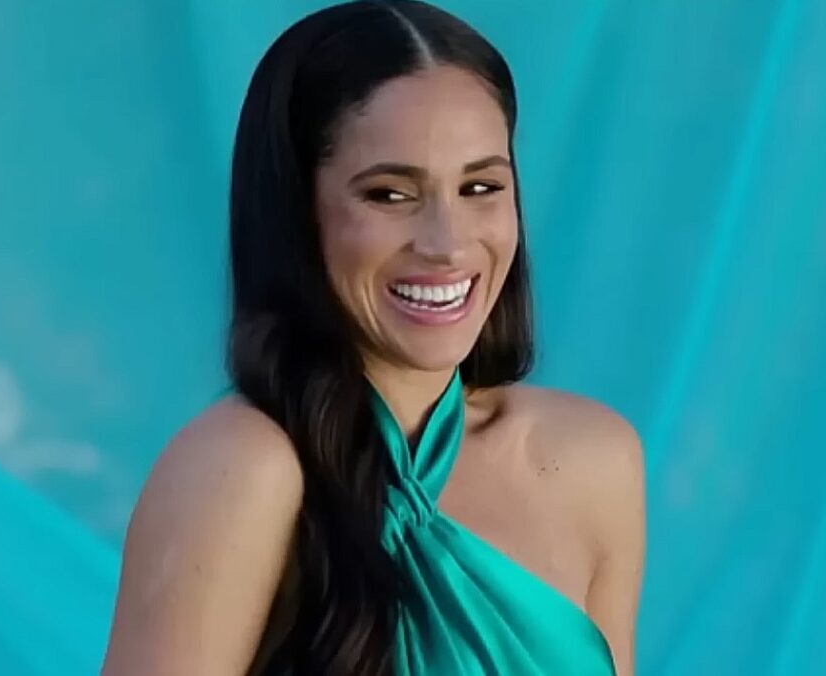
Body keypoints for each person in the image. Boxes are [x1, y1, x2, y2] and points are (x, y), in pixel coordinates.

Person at [100, 1, 645, 674]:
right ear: (299, 212)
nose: (447, 246)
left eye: (481, 186)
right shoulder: (239, 470)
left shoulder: (595, 459)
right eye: (390, 194)